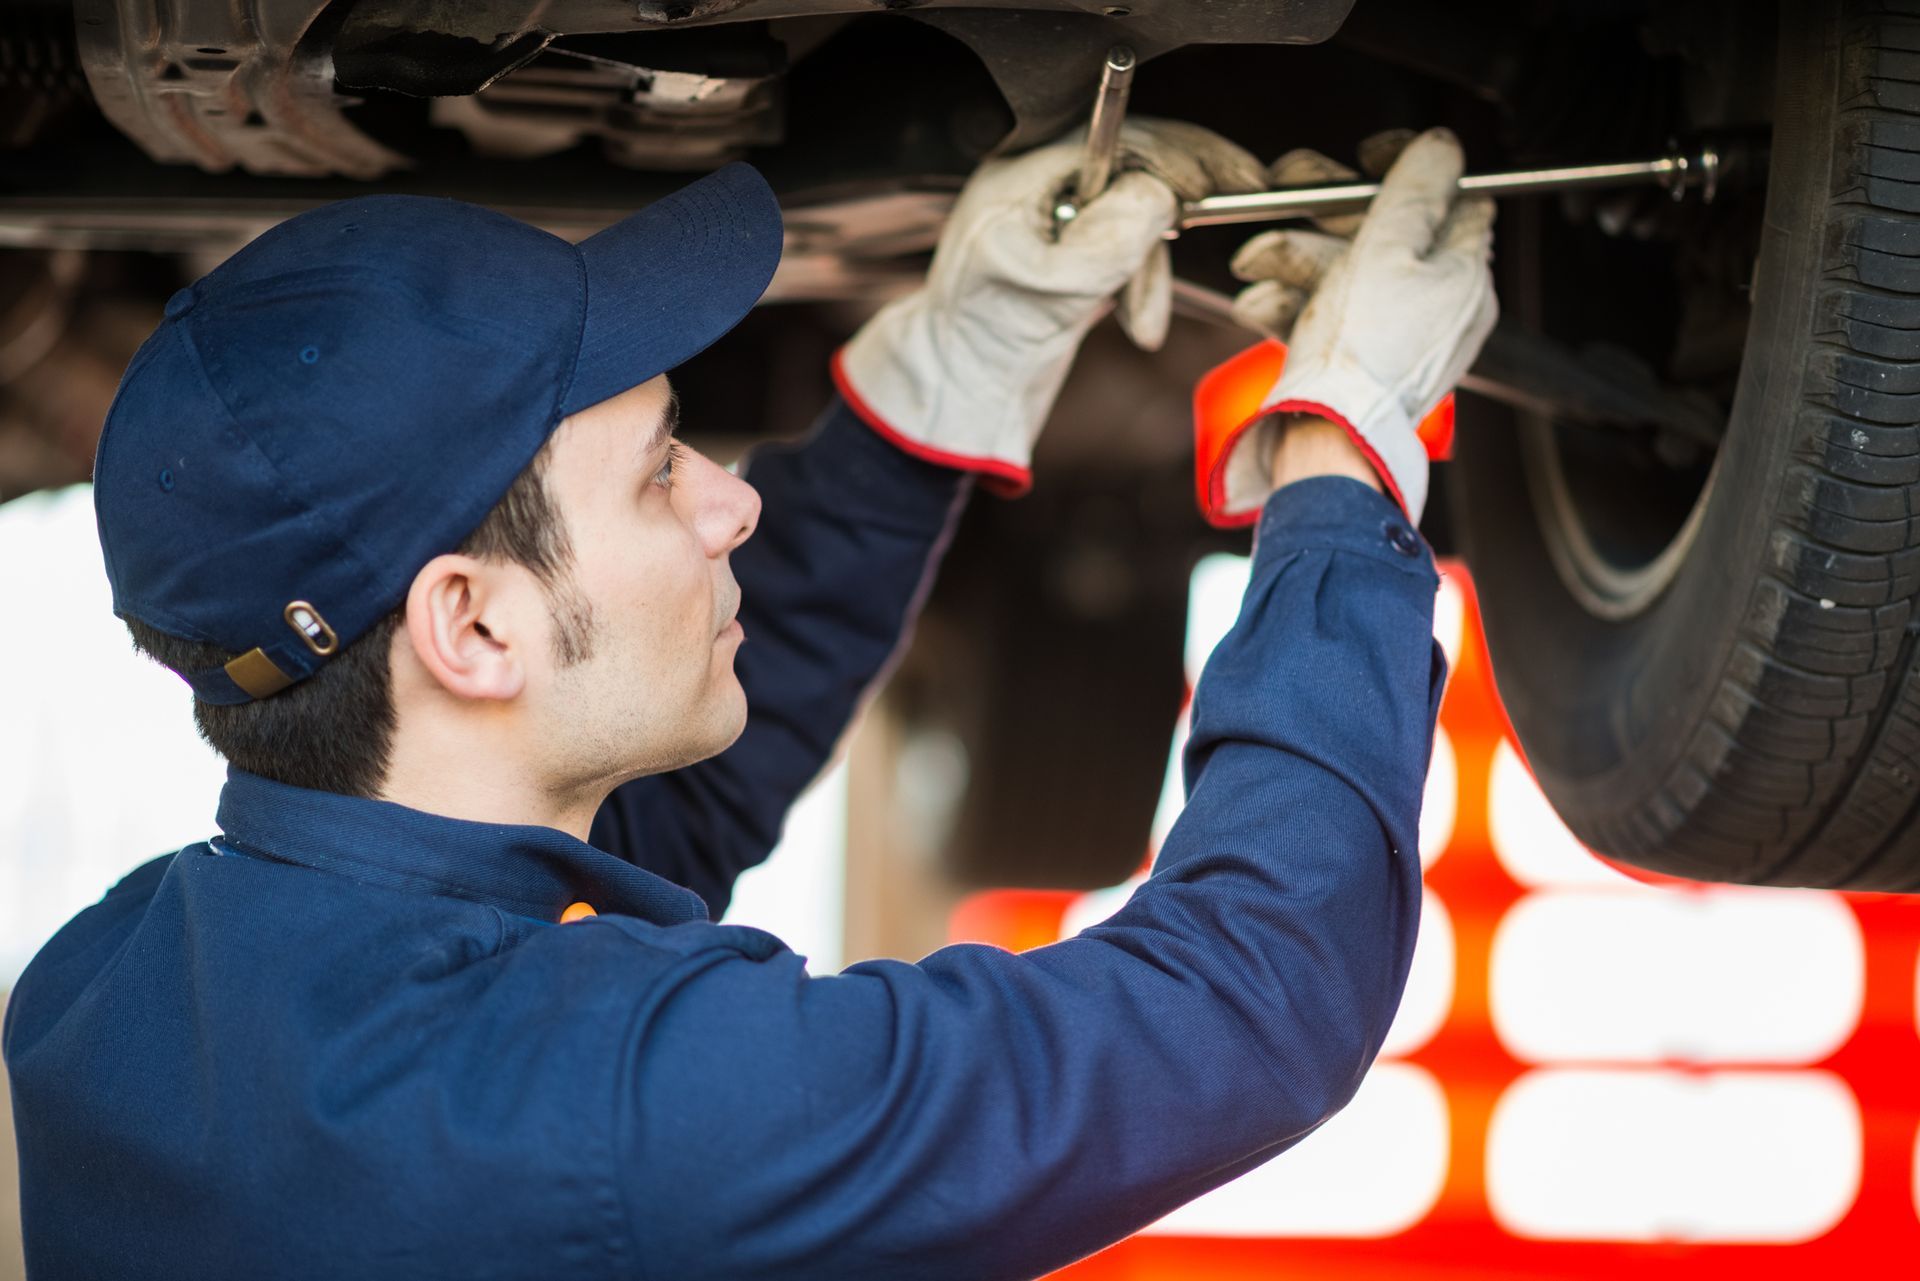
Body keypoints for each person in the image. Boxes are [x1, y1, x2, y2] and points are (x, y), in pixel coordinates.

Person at [2, 115, 1494, 1280]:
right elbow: (1243, 1004)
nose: (732, 504)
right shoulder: (590, 1116)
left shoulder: (117, 993)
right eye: (662, 469)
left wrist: (955, 363)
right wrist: (1344, 454)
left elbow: (658, 793)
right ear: (469, 625)